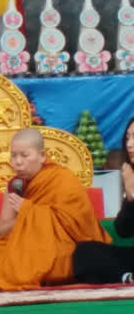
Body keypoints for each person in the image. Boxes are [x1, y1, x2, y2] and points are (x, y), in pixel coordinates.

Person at [0, 128, 111, 290]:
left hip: (57, 246)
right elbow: (2, 231)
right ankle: (15, 270)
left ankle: (4, 271)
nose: (17, 162)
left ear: (42, 156)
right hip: (22, 246)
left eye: (24, 155)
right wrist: (24, 215)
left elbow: (81, 226)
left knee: (65, 258)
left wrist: (28, 209)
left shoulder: (63, 179)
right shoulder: (14, 186)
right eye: (13, 155)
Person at [73, 117, 134, 284]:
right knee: (85, 252)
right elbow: (123, 231)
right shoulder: (130, 175)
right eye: (128, 138)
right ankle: (127, 278)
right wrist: (129, 199)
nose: (129, 144)